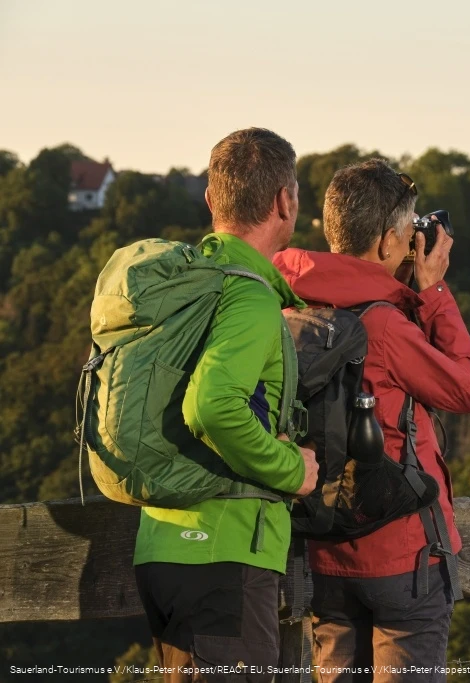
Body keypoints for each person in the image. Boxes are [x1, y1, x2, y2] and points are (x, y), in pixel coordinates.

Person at [273, 159, 470, 682]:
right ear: (389, 242)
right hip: (402, 556)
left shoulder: (289, 307)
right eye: (408, 233)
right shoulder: (385, 325)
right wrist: (432, 293)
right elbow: (464, 389)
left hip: (324, 549)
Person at [133, 127, 319, 682]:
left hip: (162, 545)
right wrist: (292, 470)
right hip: (223, 556)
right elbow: (213, 406)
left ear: (212, 200)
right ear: (284, 202)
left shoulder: (187, 284)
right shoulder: (249, 297)